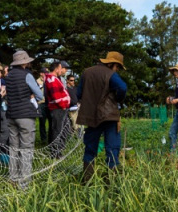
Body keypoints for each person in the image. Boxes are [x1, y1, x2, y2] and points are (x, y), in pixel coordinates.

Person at [75, 51, 127, 184]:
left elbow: (78, 93)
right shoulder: (110, 74)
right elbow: (122, 87)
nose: (118, 70)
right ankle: (112, 182)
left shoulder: (87, 72)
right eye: (118, 67)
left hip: (91, 117)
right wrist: (117, 99)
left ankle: (87, 181)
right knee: (112, 147)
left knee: (90, 147)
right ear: (111, 64)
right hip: (109, 117)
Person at [4, 50, 42, 189]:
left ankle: (13, 177)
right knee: (26, 147)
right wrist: (32, 97)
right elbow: (38, 94)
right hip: (25, 114)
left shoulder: (8, 76)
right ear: (25, 62)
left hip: (11, 114)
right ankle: (24, 182)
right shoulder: (27, 75)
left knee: (14, 147)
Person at [43, 60, 72, 158]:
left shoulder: (54, 78)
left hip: (60, 108)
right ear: (57, 68)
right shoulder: (52, 79)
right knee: (57, 130)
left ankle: (58, 151)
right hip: (58, 108)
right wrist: (63, 104)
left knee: (62, 129)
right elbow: (56, 96)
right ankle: (55, 153)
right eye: (61, 68)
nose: (62, 70)